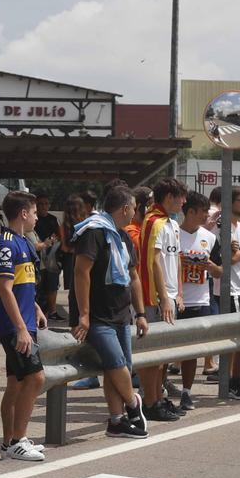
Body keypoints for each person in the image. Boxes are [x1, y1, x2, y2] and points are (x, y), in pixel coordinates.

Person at [70, 186, 148, 439]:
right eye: (134, 208)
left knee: (117, 369)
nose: (135, 213)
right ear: (125, 208)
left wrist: (141, 313)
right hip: (97, 316)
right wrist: (83, 314)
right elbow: (81, 273)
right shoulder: (93, 233)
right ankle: (134, 404)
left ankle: (116, 421)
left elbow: (133, 277)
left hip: (121, 314)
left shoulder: (123, 237)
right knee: (116, 364)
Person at [0, 191, 48, 462]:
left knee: (15, 383)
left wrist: (35, 307)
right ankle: (17, 440)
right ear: (23, 213)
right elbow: (4, 288)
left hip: (25, 321)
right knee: (36, 378)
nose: (37, 217)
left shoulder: (22, 242)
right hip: (14, 327)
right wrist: (21, 328)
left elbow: (21, 284)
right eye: (35, 212)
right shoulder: (5, 244)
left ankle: (7, 443)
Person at [138, 178, 187, 421]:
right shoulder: (153, 221)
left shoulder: (172, 223)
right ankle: (150, 402)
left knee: (163, 356)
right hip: (155, 299)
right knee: (152, 356)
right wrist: (162, 297)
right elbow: (153, 260)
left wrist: (178, 292)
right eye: (181, 197)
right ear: (169, 197)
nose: (184, 202)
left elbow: (176, 258)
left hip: (170, 296)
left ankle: (158, 398)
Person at [175, 192, 223, 410]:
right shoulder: (172, 233)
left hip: (201, 300)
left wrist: (210, 267)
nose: (207, 215)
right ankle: (157, 389)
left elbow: (221, 271)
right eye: (203, 211)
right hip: (174, 300)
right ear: (191, 211)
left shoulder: (210, 238)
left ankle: (186, 392)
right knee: (167, 349)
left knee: (191, 351)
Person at [211, 186, 240, 400]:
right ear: (230, 203)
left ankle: (234, 379)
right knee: (237, 338)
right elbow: (230, 259)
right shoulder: (222, 226)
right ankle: (230, 381)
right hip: (228, 291)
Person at [32, 192, 61, 318]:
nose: (44, 206)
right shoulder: (33, 220)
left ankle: (53, 311)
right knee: (38, 284)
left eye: (46, 204)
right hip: (36, 256)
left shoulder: (53, 219)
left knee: (53, 284)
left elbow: (60, 235)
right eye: (41, 204)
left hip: (51, 256)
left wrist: (55, 239)